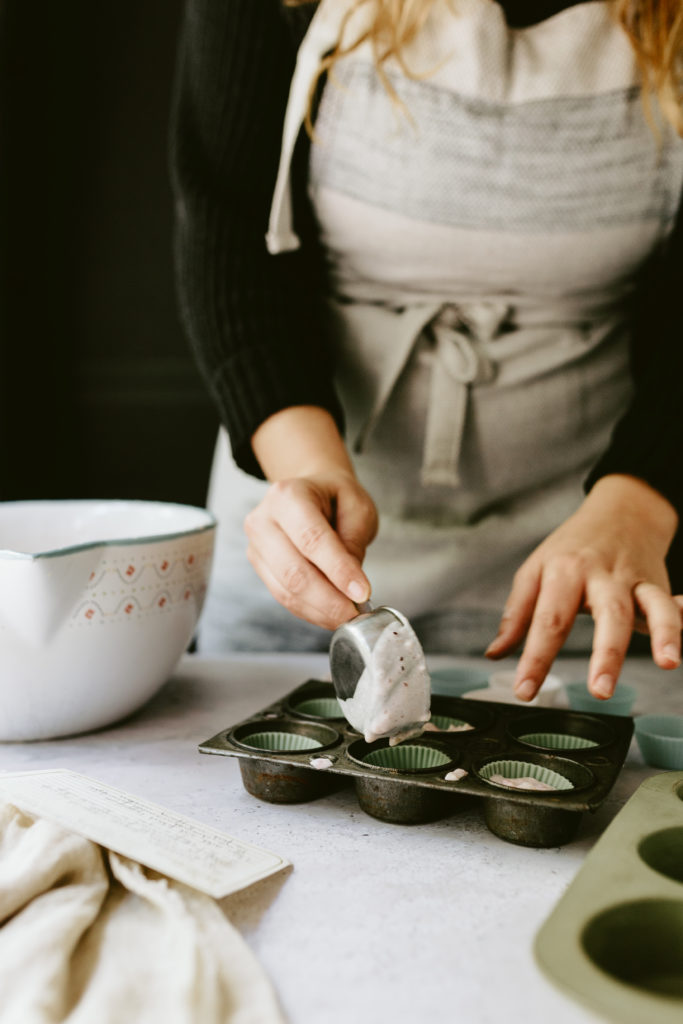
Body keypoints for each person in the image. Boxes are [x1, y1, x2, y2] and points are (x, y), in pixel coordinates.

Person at [170, 0, 683, 702]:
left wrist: (637, 505)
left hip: (586, 547)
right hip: (312, 517)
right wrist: (307, 469)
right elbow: (227, 228)